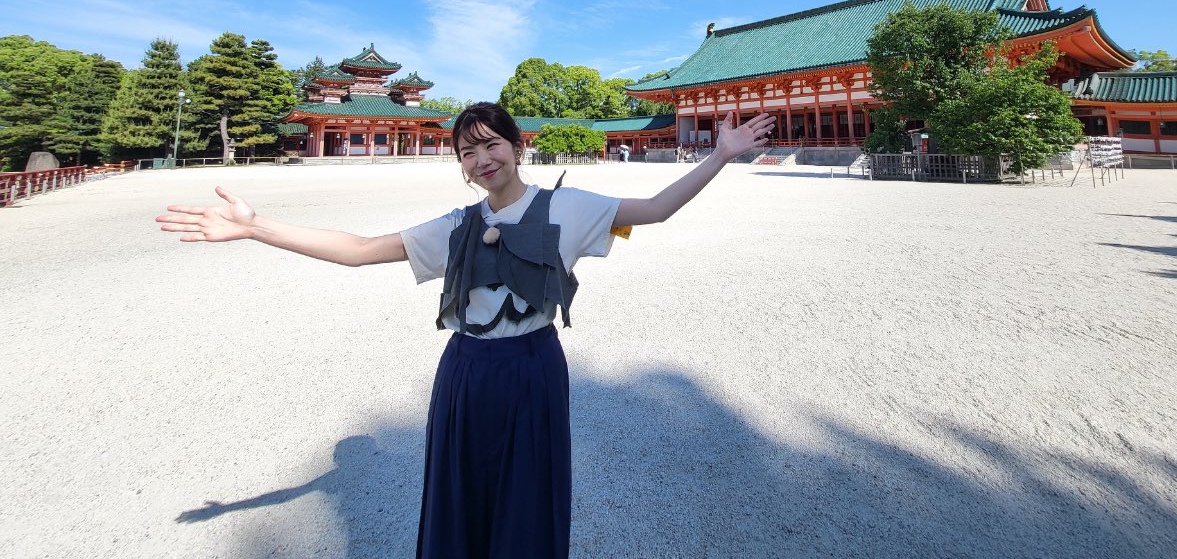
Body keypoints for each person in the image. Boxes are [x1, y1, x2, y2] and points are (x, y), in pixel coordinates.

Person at [156, 101, 773, 559]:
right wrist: (257, 226)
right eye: (468, 152)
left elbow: (656, 210)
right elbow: (360, 249)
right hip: (467, 369)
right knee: (462, 489)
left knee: (529, 490)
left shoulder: (568, 207)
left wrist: (719, 155)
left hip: (533, 364)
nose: (482, 159)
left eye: (491, 144)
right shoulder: (455, 225)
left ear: (516, 144)